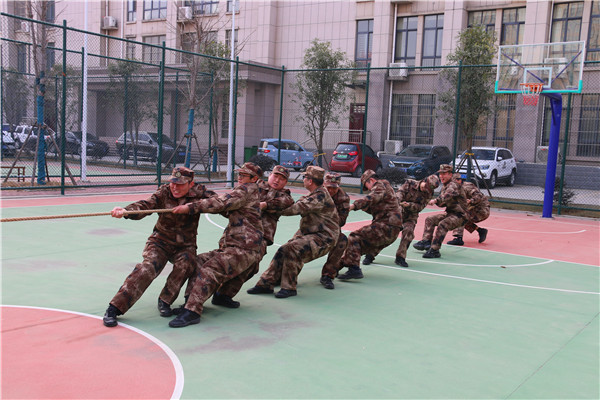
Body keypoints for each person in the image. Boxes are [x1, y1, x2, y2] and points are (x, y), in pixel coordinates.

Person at [102, 167, 216, 327]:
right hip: (161, 241)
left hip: (185, 244)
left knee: (186, 264)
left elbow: (220, 202)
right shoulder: (164, 192)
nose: (175, 187)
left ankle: (165, 300)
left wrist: (196, 206)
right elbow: (146, 205)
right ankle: (114, 308)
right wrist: (126, 211)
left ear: (191, 184)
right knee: (148, 268)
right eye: (173, 183)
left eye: (180, 184)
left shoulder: (200, 192)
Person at [167, 162, 264, 328]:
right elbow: (223, 205)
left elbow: (222, 203)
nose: (239, 178)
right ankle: (192, 302)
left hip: (245, 248)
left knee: (210, 269)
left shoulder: (247, 189)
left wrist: (190, 207)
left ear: (254, 179)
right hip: (234, 246)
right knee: (197, 262)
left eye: (244, 175)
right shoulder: (244, 192)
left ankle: (192, 312)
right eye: (238, 174)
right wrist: (203, 195)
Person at [246, 166, 339, 298]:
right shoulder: (314, 194)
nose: (303, 180)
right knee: (283, 250)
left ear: (310, 181)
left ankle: (289, 287)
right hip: (311, 232)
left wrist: (267, 205)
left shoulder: (319, 196)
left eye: (304, 177)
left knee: (293, 249)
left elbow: (294, 209)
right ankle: (266, 283)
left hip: (324, 237)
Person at [209, 165, 295, 307]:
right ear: (269, 175)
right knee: (223, 264)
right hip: (236, 234)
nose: (277, 180)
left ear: (285, 182)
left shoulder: (284, 196)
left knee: (250, 267)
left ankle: (224, 295)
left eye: (282, 179)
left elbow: (286, 202)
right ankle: (201, 293)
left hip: (260, 240)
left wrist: (264, 205)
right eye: (275, 176)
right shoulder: (254, 186)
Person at [337, 169, 403, 280]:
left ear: (371, 180)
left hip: (386, 226)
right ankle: (335, 268)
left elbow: (371, 198)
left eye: (367, 186)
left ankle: (354, 270)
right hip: (392, 230)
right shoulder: (387, 189)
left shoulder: (380, 185)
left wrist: (353, 206)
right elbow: (375, 207)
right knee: (357, 247)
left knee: (354, 237)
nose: (368, 190)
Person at [413, 164, 466, 258]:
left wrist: (436, 200)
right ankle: (426, 241)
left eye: (444, 173)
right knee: (430, 219)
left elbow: (447, 196)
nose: (441, 176)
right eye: (440, 174)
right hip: (450, 214)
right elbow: (443, 203)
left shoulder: (453, 185)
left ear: (450, 174)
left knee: (443, 224)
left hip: (460, 215)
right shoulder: (445, 186)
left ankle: (434, 250)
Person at [392, 174, 440, 268]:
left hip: (411, 216)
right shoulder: (410, 183)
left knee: (409, 232)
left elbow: (420, 207)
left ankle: (400, 257)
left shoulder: (429, 193)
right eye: (425, 187)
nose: (425, 190)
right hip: (398, 212)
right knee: (387, 232)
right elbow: (400, 192)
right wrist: (398, 201)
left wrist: (409, 205)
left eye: (429, 189)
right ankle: (371, 255)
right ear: (424, 180)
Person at [320, 172, 351, 290]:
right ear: (324, 185)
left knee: (342, 240)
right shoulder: (318, 193)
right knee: (292, 246)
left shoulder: (343, 198)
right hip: (311, 227)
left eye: (334, 188)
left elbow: (341, 221)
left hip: (331, 230)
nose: (331, 190)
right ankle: (277, 276)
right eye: (329, 187)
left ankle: (328, 275)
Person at [446, 174, 489, 246]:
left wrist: (471, 201)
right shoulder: (455, 189)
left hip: (482, 210)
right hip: (472, 209)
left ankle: (458, 238)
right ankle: (480, 231)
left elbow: (479, 195)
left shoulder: (467, 186)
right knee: (457, 216)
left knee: (460, 215)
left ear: (459, 180)